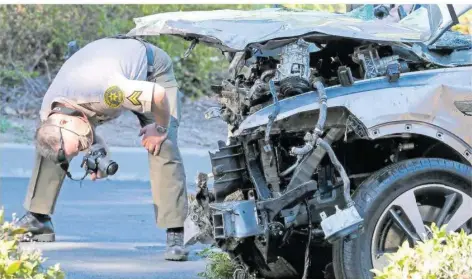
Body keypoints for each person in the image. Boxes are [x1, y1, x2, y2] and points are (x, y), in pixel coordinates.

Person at [15, 36, 189, 261]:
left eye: (79, 147)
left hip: (151, 71)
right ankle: (38, 218)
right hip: (97, 76)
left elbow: (157, 95)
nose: (80, 152)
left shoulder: (109, 91)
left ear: (66, 121)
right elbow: (72, 134)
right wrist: (94, 150)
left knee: (162, 145)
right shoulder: (50, 114)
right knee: (50, 144)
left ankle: (174, 232)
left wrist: (160, 127)